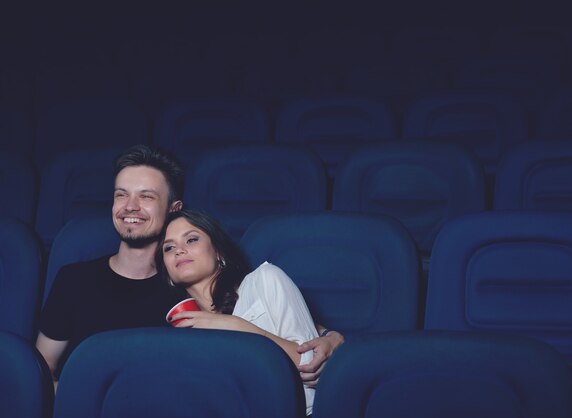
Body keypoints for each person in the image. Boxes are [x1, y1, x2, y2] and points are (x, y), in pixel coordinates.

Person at [36, 144, 343, 386]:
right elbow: (40, 371)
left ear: (174, 208)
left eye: (146, 196)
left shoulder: (185, 290)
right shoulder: (74, 280)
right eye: (121, 195)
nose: (130, 206)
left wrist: (333, 339)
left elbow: (299, 330)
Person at [159, 208, 319, 416]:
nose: (179, 250)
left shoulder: (264, 280)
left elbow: (310, 368)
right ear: (169, 273)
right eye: (169, 247)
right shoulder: (179, 330)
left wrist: (237, 326)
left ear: (218, 251)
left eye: (191, 240)